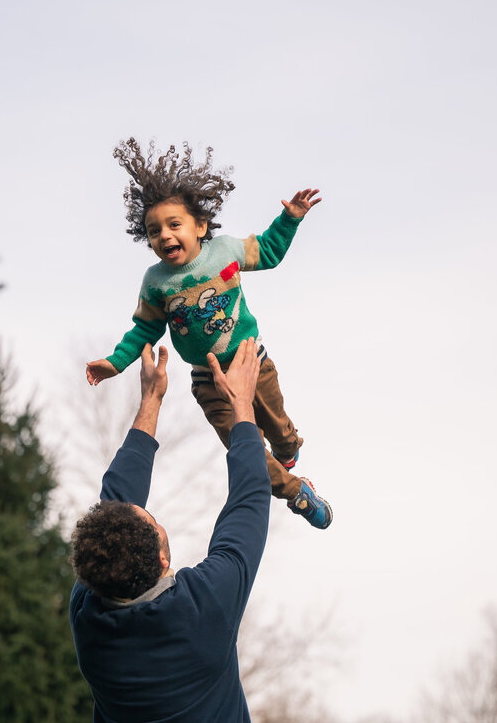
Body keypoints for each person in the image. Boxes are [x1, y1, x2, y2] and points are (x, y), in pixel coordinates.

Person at [85, 138, 332, 529]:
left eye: (174, 224)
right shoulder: (155, 283)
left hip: (252, 364)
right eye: (153, 231)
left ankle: (288, 451)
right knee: (244, 450)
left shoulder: (225, 252)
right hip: (209, 380)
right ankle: (295, 491)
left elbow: (267, 251)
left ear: (200, 226)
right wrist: (116, 362)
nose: (164, 235)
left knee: (280, 431)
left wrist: (290, 219)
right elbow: (145, 328)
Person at [69, 338, 271, 722]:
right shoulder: (201, 609)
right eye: (154, 521)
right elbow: (248, 504)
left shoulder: (91, 620)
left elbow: (116, 503)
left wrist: (152, 398)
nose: (148, 511)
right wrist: (242, 401)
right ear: (163, 559)